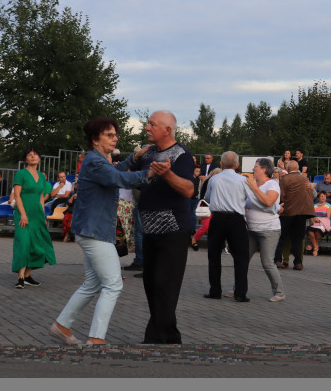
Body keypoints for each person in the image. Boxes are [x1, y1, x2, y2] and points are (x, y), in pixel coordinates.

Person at [50, 117, 151, 345]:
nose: (115, 138)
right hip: (94, 232)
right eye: (109, 135)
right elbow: (117, 178)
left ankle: (61, 326)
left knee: (92, 284)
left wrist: (134, 158)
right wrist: (149, 174)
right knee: (113, 284)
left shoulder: (98, 159)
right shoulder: (94, 161)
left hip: (93, 230)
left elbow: (116, 171)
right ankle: (96, 339)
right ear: (95, 140)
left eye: (115, 134)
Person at [126, 111, 195, 344]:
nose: (147, 128)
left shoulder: (182, 155)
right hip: (150, 229)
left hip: (173, 230)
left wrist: (167, 174)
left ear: (168, 129)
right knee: (151, 284)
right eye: (148, 124)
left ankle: (160, 338)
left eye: (152, 124)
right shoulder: (149, 153)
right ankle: (166, 336)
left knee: (165, 285)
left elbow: (188, 190)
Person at [201, 151, 250, 302]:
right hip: (236, 219)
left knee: (214, 256)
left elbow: (207, 198)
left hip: (217, 218)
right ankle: (240, 293)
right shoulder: (243, 180)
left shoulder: (214, 179)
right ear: (237, 165)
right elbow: (250, 199)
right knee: (241, 257)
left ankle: (215, 290)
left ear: (221, 164)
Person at [12, 147, 57, 289]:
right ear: (25, 159)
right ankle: (20, 277)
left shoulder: (42, 176)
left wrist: (42, 215)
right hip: (23, 214)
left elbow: (41, 198)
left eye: (35, 154)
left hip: (37, 215)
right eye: (29, 155)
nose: (33, 156)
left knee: (37, 246)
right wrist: (23, 214)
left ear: (39, 158)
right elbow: (17, 195)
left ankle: (27, 276)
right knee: (24, 244)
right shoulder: (21, 174)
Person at [243, 157, 285, 302]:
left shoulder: (272, 184)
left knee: (267, 262)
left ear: (264, 169)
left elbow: (268, 201)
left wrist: (254, 188)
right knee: (242, 260)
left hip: (269, 231)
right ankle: (238, 288)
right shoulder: (252, 184)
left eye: (256, 166)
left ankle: (279, 292)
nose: (253, 169)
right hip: (252, 230)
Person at [275, 160, 315, 270]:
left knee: (281, 237)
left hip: (288, 212)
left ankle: (278, 260)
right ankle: (298, 263)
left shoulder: (285, 179)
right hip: (302, 213)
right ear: (297, 168)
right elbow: (310, 194)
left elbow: (281, 196)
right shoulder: (304, 178)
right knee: (298, 239)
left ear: (287, 169)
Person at [307, 191, 331, 256]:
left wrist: (319, 220)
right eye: (321, 196)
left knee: (317, 232)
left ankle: (312, 245)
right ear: (318, 198)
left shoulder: (328, 206)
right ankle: (315, 246)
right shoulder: (314, 206)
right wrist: (314, 218)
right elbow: (312, 215)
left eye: (324, 196)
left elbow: (328, 217)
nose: (323, 197)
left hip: (323, 222)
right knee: (310, 231)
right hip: (314, 222)